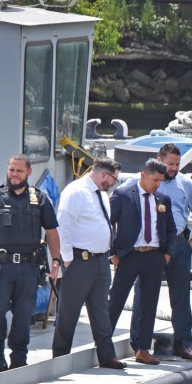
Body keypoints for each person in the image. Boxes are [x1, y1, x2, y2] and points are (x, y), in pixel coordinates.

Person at [0, 154, 62, 371]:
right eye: (12, 170)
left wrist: (56, 259)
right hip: (1, 268)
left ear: (28, 173)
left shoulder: (40, 199)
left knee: (23, 315)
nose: (14, 174)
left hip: (29, 268)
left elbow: (51, 232)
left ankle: (19, 358)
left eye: (19, 171)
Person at [52, 157, 126, 369]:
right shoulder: (76, 192)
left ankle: (106, 355)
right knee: (69, 312)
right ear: (104, 175)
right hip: (79, 261)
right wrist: (66, 259)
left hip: (100, 260)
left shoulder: (100, 193)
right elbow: (63, 226)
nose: (114, 183)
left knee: (101, 309)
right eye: (114, 179)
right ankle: (60, 358)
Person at [107, 158, 178, 364]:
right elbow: (108, 224)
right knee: (116, 300)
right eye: (155, 180)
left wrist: (167, 255)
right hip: (129, 255)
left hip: (154, 256)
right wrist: (113, 253)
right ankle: (104, 343)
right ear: (143, 175)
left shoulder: (163, 199)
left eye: (161, 181)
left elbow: (171, 229)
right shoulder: (123, 195)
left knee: (149, 304)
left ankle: (143, 348)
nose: (158, 185)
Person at [155, 143, 192, 360]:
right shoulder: (146, 182)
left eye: (177, 164)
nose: (174, 168)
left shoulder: (185, 184)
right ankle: (139, 342)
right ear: (159, 160)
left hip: (178, 244)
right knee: (145, 295)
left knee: (181, 297)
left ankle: (183, 343)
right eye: (170, 163)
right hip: (152, 247)